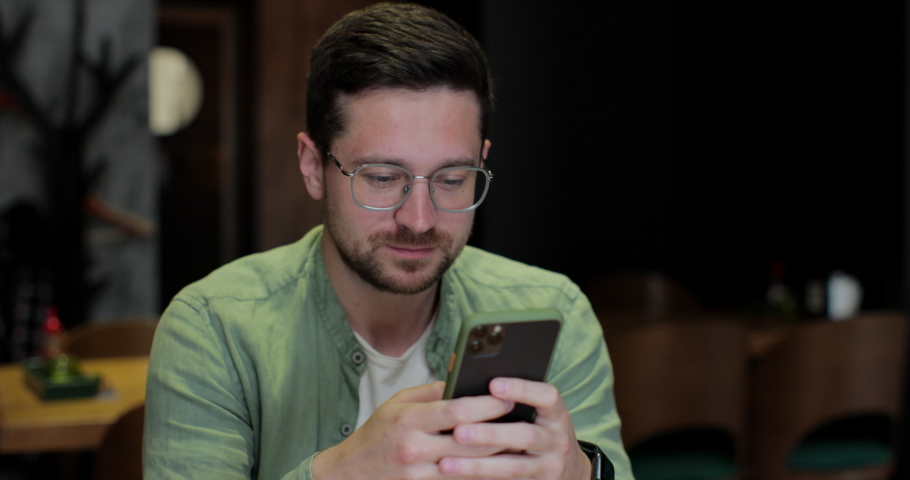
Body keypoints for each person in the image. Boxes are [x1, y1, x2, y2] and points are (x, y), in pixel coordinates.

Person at [144, 3, 633, 479]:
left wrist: (579, 472)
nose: (419, 219)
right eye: (381, 177)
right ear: (313, 166)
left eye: (451, 178)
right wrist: (337, 474)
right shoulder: (213, 329)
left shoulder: (554, 309)